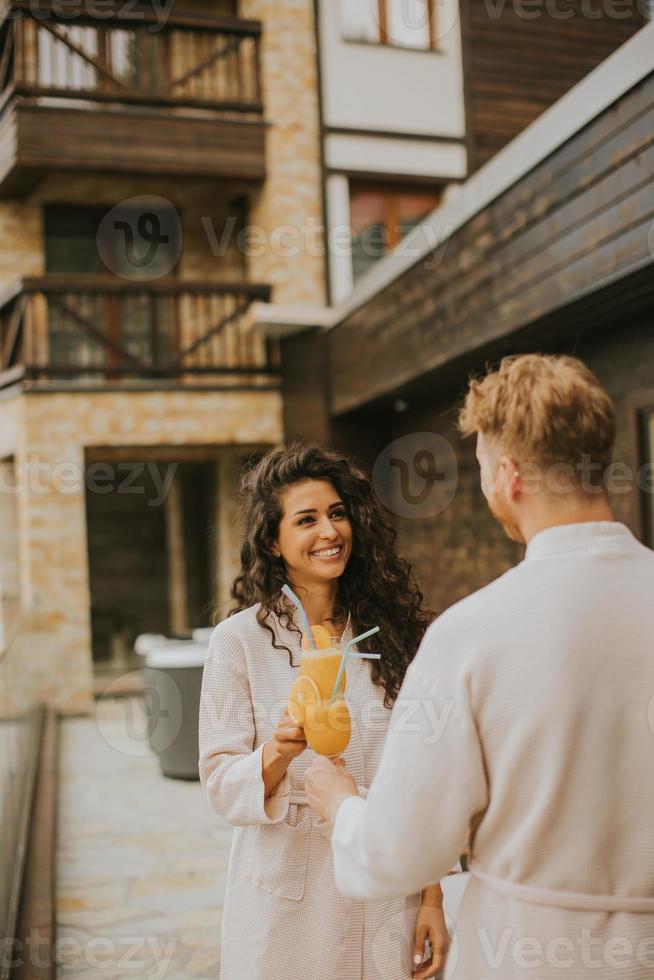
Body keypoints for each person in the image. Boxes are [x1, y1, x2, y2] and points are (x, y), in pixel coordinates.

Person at [306, 354, 654, 980]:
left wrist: (341, 806)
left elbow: (398, 850)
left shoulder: (470, 634)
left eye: (484, 467)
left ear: (510, 475)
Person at [198, 444, 453, 980]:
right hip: (289, 895)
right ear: (274, 538)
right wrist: (277, 752)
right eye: (307, 519)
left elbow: (431, 776)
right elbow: (221, 782)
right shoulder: (237, 642)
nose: (329, 532)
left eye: (337, 514)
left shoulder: (398, 636)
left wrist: (433, 896)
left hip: (388, 887)